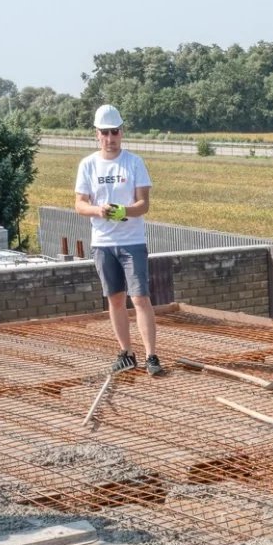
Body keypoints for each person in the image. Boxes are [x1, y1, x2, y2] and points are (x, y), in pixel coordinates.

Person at [74, 104, 161, 376]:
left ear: (122, 132)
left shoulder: (134, 162)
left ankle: (151, 356)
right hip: (102, 243)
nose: (110, 138)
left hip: (132, 241)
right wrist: (98, 210)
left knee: (140, 299)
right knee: (114, 299)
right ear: (96, 134)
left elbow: (143, 204)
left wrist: (125, 211)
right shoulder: (87, 164)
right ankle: (126, 353)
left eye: (115, 132)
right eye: (105, 133)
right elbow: (79, 204)